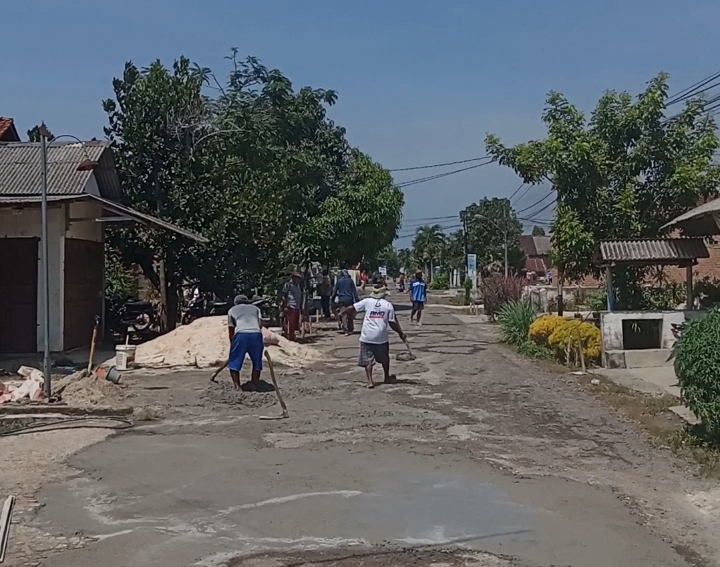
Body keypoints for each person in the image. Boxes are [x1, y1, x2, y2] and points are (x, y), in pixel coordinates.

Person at [340, 283, 406, 389]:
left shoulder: (367, 302)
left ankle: (370, 381)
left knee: (367, 359)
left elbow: (352, 308)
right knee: (385, 358)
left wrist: (341, 313)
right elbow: (392, 323)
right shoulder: (388, 305)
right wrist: (400, 333)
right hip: (381, 337)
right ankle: (386, 377)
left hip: (367, 336)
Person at [227, 295, 264, 391]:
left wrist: (232, 343)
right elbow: (260, 324)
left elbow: (231, 329)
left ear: (235, 303)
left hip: (241, 335)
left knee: (234, 362)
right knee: (257, 362)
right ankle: (254, 384)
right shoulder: (255, 308)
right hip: (256, 334)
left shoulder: (232, 310)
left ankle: (237, 386)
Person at [332, 269, 359, 335]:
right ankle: (351, 329)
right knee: (350, 314)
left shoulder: (339, 281)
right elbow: (354, 291)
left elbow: (335, 292)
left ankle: (346, 330)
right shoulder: (350, 281)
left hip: (342, 300)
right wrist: (357, 300)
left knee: (343, 314)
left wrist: (332, 299)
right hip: (350, 300)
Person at [282, 272, 303, 341]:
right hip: (290, 306)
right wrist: (285, 306)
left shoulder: (298, 286)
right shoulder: (288, 285)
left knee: (295, 323)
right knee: (290, 323)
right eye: (297, 278)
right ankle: (289, 337)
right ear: (293, 278)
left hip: (297, 306)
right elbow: (283, 296)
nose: (299, 280)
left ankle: (293, 336)